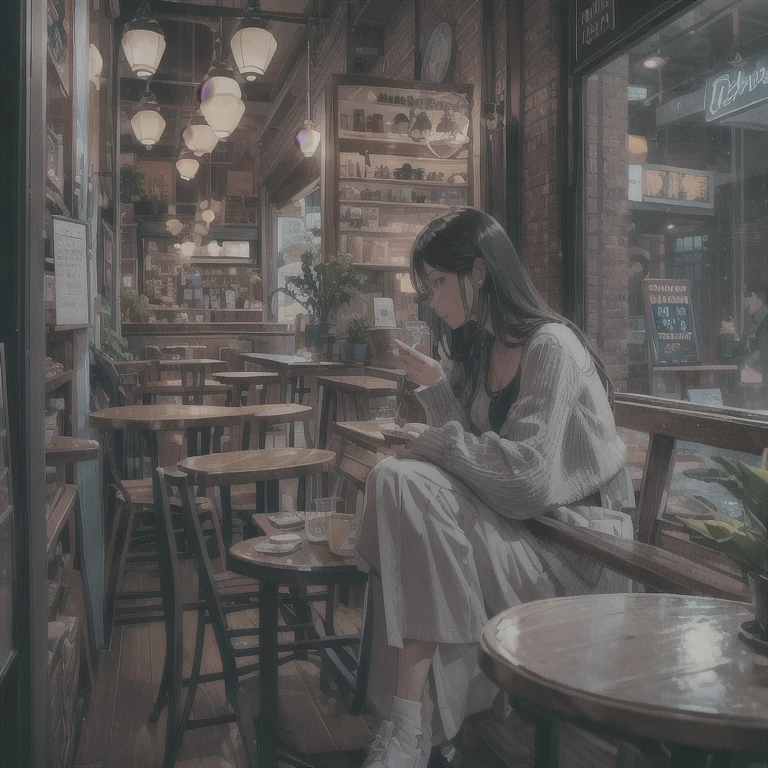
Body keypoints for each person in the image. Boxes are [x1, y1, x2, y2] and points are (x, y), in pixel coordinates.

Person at [355, 207, 633, 768]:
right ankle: (412, 722)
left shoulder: (551, 346)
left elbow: (525, 479)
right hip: (525, 532)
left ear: (478, 273)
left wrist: (431, 441)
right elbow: (479, 459)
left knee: (403, 486)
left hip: (578, 551)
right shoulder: (483, 350)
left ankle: (415, 728)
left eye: (437, 283)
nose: (432, 300)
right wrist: (437, 393)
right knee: (396, 481)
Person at [732, 280, 768, 384]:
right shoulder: (756, 320)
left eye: (745, 298)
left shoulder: (763, 322)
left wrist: (744, 364)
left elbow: (757, 351)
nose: (744, 304)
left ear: (753, 296)